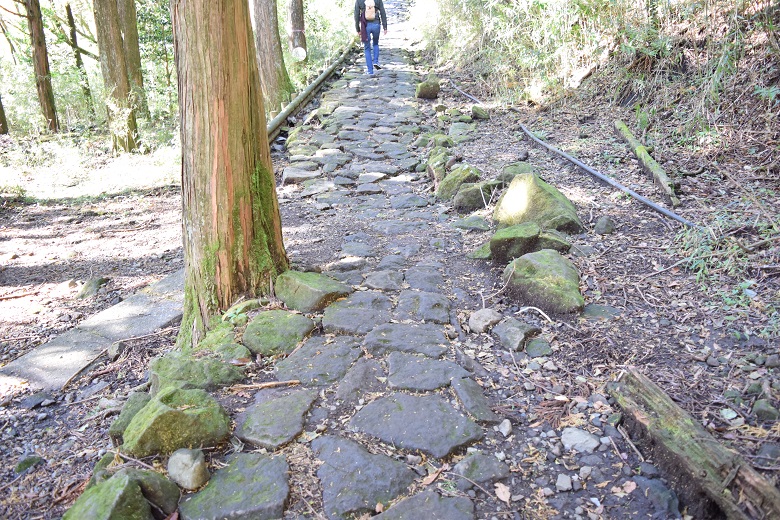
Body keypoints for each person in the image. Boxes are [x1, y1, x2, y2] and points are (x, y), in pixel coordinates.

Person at [354, 0, 387, 76]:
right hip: (376, 24)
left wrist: (358, 29)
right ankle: (376, 61)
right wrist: (385, 27)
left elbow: (356, 15)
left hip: (365, 26)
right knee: (375, 43)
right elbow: (382, 12)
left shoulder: (359, 1)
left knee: (367, 48)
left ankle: (370, 71)